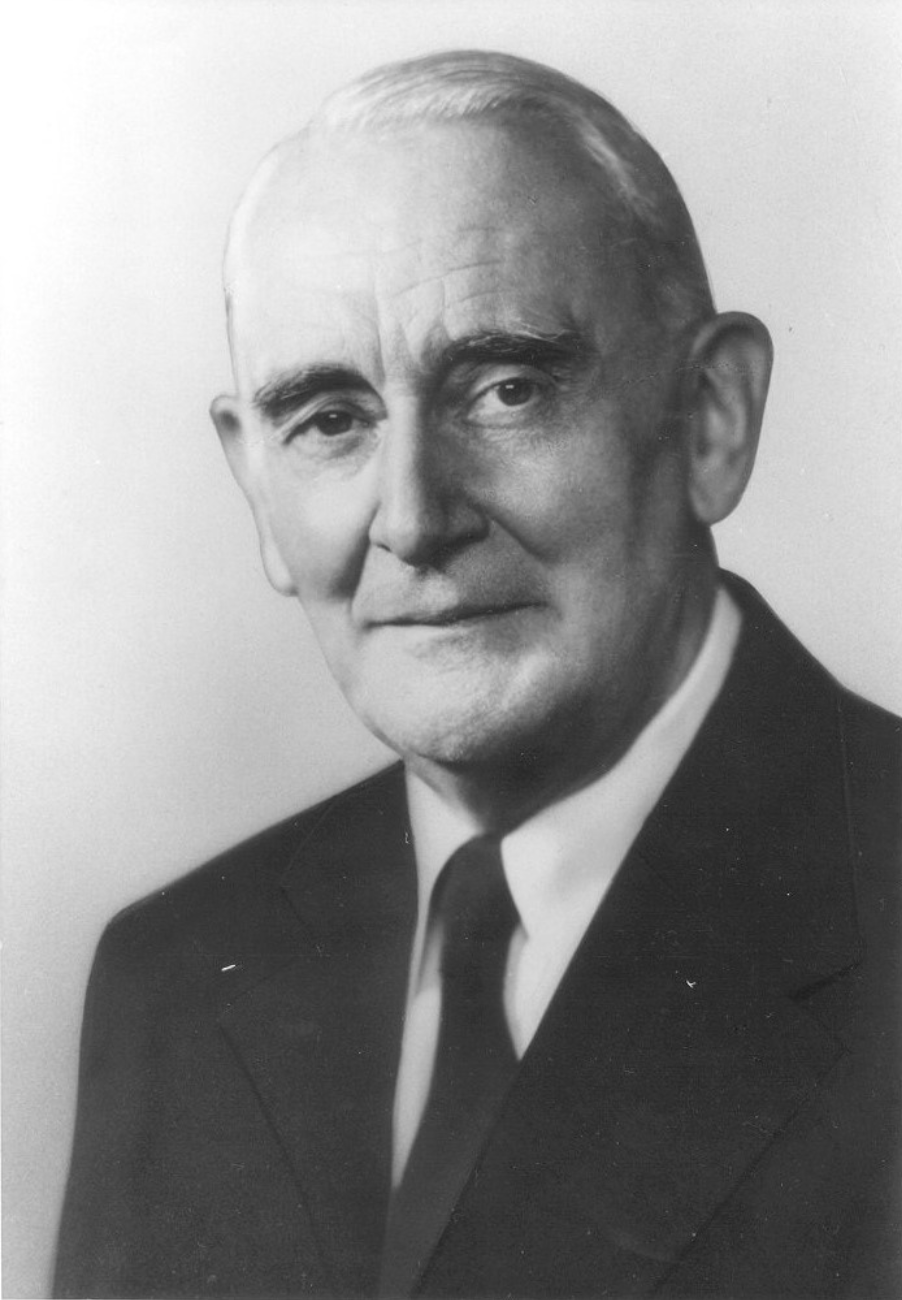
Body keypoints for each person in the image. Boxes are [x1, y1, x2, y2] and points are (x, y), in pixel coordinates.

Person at [54, 50, 900, 1299]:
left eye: (505, 388)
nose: (412, 517)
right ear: (254, 482)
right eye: (329, 419)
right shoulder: (177, 975)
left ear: (711, 418)